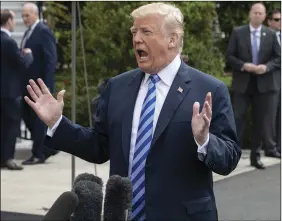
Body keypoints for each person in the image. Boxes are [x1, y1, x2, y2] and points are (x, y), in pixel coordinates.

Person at [24, 3, 241, 220]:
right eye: (134, 32)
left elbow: (229, 158)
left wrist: (204, 140)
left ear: (172, 39)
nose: (137, 39)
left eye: (146, 31)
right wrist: (57, 123)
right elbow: (99, 147)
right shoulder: (117, 87)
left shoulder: (209, 89)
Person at [226, 3, 281, 169]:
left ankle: (255, 157)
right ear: (250, 14)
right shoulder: (238, 32)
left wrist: (267, 67)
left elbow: (278, 58)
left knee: (259, 122)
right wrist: (244, 65)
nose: (258, 15)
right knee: (238, 120)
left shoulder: (271, 34)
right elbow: (230, 57)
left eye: (261, 13)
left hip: (263, 85)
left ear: (264, 17)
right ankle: (232, 155)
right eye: (255, 12)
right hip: (243, 84)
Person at [20, 2, 58, 165]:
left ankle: (38, 154)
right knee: (27, 116)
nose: (25, 19)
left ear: (35, 14)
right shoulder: (29, 33)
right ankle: (48, 147)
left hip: (40, 85)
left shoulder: (43, 31)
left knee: (37, 120)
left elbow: (51, 59)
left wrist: (46, 87)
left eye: (27, 15)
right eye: (23, 16)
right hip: (28, 85)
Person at [1, 9, 33, 170]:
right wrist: (27, 55)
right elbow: (21, 63)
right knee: (12, 125)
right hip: (9, 92)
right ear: (8, 21)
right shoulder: (8, 41)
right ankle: (8, 158)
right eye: (13, 20)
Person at [267, 9, 281, 153]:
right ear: (270, 21)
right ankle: (270, 146)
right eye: (276, 19)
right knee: (270, 115)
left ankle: (279, 145)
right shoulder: (265, 36)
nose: (279, 22)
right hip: (270, 80)